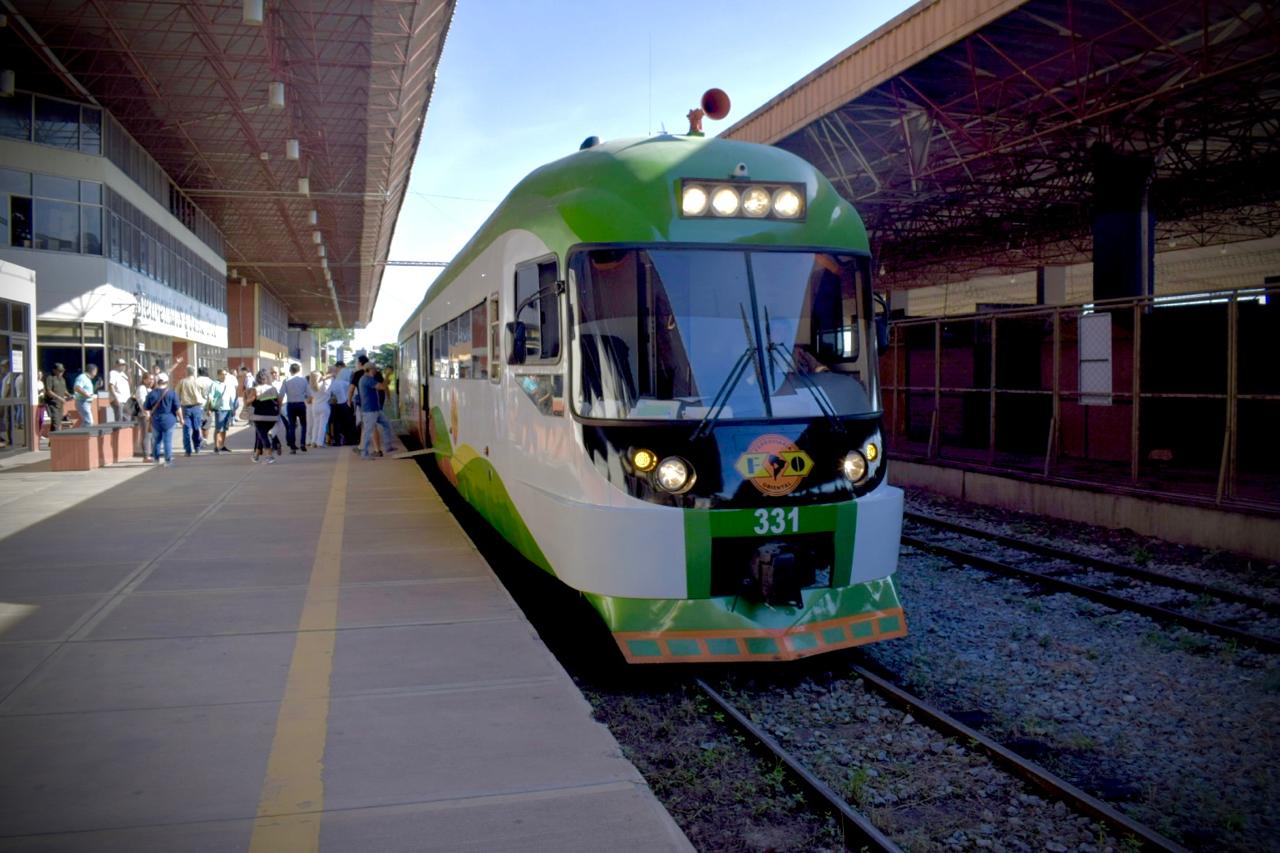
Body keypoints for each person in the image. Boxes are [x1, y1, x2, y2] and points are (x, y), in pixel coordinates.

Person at [357, 361, 395, 460]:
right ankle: (364, 454)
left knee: (387, 425)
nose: (376, 371)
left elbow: (382, 385)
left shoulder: (369, 379)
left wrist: (386, 380)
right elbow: (382, 387)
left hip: (375, 409)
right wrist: (387, 375)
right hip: (370, 410)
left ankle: (388, 446)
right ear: (369, 369)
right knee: (368, 432)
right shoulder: (366, 379)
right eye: (374, 369)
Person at [143, 372, 180, 467]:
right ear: (166, 381)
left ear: (157, 381)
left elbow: (146, 408)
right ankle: (168, 461)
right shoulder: (172, 393)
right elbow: (177, 408)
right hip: (169, 420)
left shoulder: (151, 393)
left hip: (156, 420)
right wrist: (182, 419)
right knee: (167, 441)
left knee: (156, 440)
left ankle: (156, 459)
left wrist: (148, 418)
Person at [246, 368, 282, 464]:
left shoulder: (256, 389)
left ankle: (270, 456)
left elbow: (249, 401)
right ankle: (256, 455)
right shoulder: (273, 389)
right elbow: (279, 401)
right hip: (273, 416)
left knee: (263, 435)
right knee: (260, 435)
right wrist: (279, 411)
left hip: (260, 417)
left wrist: (247, 399)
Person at [279, 363, 312, 454]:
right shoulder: (303, 380)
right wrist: (308, 401)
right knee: (304, 425)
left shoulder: (286, 380)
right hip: (301, 404)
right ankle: (302, 443)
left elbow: (281, 395)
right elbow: (309, 394)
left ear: (290, 371)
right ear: (299, 370)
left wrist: (279, 407)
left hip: (291, 404)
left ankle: (292, 447)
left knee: (292, 426)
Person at [176, 366, 208, 455]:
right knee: (196, 428)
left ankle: (188, 450)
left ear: (186, 372)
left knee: (186, 429)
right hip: (197, 407)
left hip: (185, 408)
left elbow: (176, 394)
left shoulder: (182, 382)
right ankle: (197, 447)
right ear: (194, 373)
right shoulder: (198, 382)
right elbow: (204, 394)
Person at [209, 367, 238, 453]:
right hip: (219, 409)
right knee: (219, 428)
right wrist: (209, 409)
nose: (224, 376)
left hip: (228, 408)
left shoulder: (228, 384)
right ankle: (216, 446)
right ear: (218, 375)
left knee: (224, 428)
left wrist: (232, 408)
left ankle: (222, 445)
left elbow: (231, 397)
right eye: (222, 374)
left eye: (225, 374)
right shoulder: (214, 384)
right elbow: (210, 397)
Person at [307, 369, 331, 448]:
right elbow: (332, 376)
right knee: (322, 425)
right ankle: (320, 443)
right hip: (324, 406)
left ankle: (313, 441)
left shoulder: (310, 386)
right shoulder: (325, 384)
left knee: (315, 425)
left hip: (315, 406)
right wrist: (324, 377)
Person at [43, 364, 69, 434]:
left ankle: (52, 442)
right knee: (56, 422)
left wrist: (69, 395)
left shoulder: (63, 379)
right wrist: (59, 398)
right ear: (54, 370)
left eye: (62, 371)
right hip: (52, 404)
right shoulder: (50, 378)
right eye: (59, 371)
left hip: (60, 404)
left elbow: (64, 390)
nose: (61, 373)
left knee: (57, 423)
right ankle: (55, 441)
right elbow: (49, 391)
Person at [135, 372, 155, 461]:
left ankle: (152, 453)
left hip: (151, 415)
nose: (152, 381)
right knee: (147, 435)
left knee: (151, 435)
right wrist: (147, 414)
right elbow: (142, 402)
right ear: (144, 380)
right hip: (144, 415)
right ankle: (146, 456)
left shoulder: (150, 389)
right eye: (150, 379)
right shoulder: (141, 388)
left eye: (153, 379)